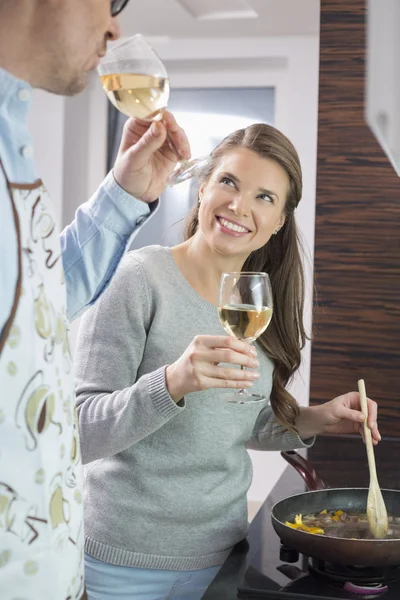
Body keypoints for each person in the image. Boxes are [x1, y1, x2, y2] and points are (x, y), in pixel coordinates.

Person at [74, 123, 381, 600]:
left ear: (279, 220)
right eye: (229, 182)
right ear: (203, 188)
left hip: (224, 557)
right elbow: (78, 431)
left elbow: (241, 421)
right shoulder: (139, 278)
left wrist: (317, 417)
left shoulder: (257, 304)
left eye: (264, 197)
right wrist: (172, 382)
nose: (240, 206)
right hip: (125, 563)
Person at [0, 0, 190, 598]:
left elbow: (41, 307)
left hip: (52, 567)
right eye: (105, 3)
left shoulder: (12, 136)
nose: (113, 28)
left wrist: (124, 194)